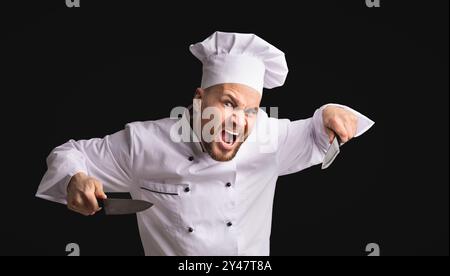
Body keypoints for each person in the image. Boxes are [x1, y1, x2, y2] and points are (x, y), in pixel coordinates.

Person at [36, 31, 374, 256]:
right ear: (199, 99)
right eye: (228, 103)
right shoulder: (144, 142)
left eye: (251, 110)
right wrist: (74, 179)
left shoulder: (268, 138)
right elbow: (69, 154)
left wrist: (331, 112)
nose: (240, 120)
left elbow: (319, 131)